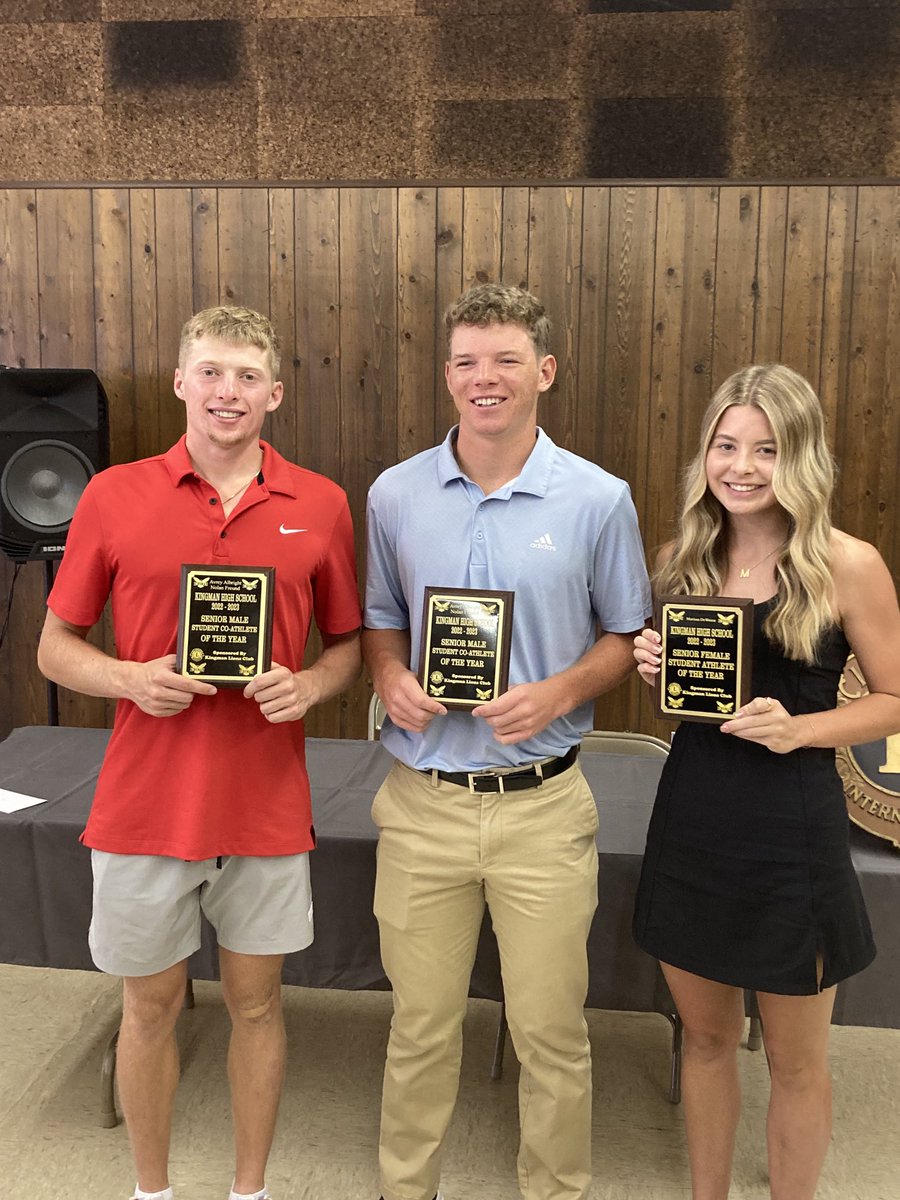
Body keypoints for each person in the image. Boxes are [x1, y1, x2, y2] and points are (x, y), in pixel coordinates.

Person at [37, 305, 362, 1200]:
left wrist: (311, 686)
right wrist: (130, 679)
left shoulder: (322, 504)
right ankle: (152, 1191)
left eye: (248, 376)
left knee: (258, 1006)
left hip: (263, 809)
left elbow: (345, 648)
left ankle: (247, 1191)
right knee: (150, 1008)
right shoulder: (113, 495)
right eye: (212, 372)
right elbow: (55, 646)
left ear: (276, 394)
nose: (229, 392)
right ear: (182, 381)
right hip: (143, 808)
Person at [363, 282, 652, 1200]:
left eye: (505, 360)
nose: (483, 379)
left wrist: (560, 690)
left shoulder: (600, 500)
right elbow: (377, 618)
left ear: (545, 371)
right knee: (419, 1026)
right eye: (465, 361)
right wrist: (387, 675)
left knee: (552, 1034)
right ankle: (406, 1189)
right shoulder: (395, 493)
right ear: (448, 374)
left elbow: (625, 635)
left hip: (543, 808)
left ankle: (555, 1191)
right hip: (423, 805)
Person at [632, 364, 900, 1200]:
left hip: (792, 829)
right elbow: (688, 693)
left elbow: (895, 699)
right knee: (704, 1042)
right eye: (726, 445)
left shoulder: (847, 564)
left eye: (767, 449)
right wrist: (654, 667)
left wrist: (802, 730)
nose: (742, 466)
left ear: (803, 458)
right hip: (695, 815)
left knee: (795, 1062)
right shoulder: (680, 557)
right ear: (705, 454)